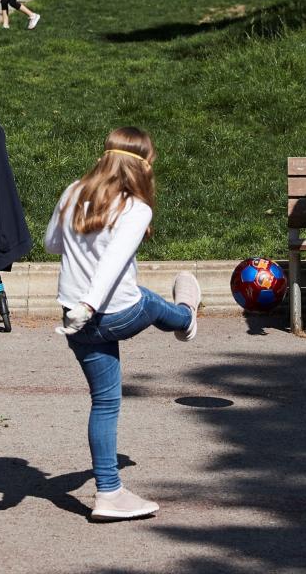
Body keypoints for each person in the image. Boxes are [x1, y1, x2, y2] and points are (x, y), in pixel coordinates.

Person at [51, 128, 201, 521]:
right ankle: (186, 316)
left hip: (75, 321)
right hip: (114, 313)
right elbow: (114, 261)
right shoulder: (136, 208)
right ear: (143, 166)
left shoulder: (72, 192)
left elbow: (52, 243)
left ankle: (108, 492)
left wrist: (81, 303)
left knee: (104, 402)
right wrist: (89, 302)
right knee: (150, 301)